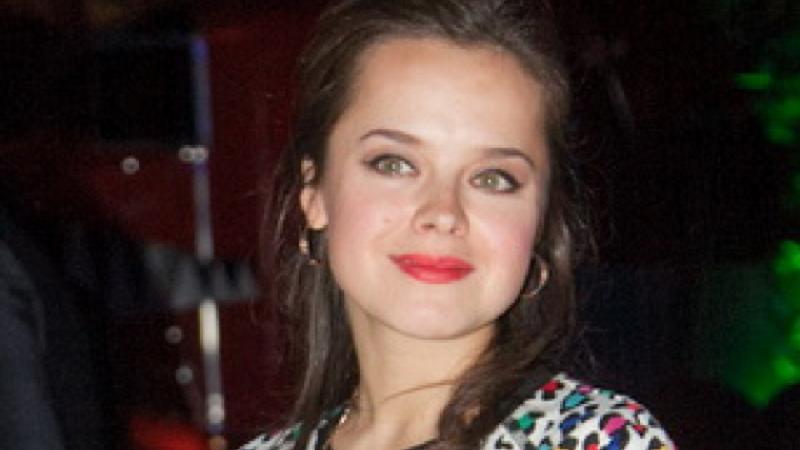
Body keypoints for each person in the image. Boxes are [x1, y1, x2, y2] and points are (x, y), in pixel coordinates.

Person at [245, 0, 675, 449]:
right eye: (394, 164)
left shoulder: (594, 439)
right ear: (314, 194)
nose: (443, 213)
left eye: (493, 178)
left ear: (542, 224)